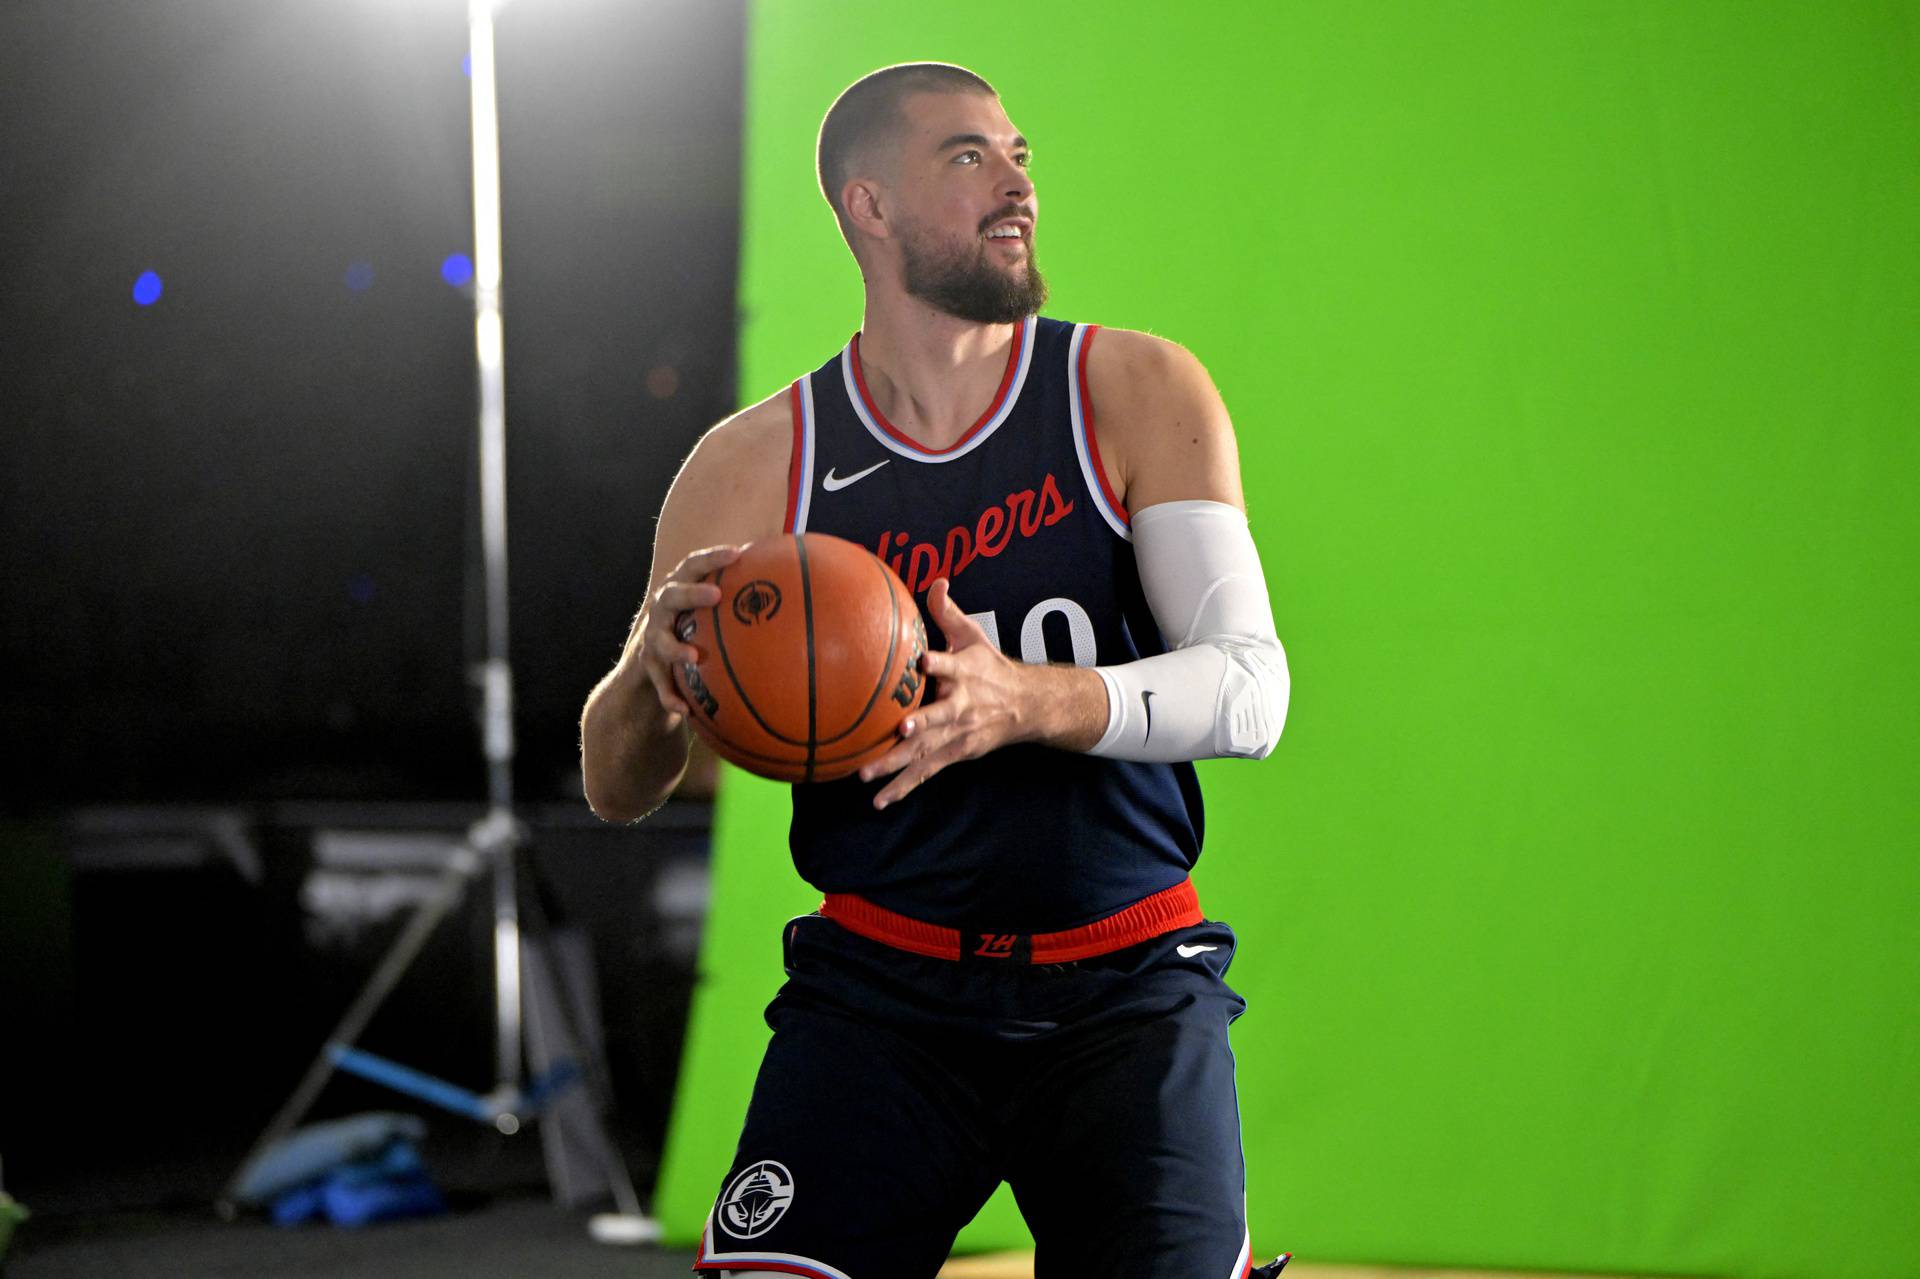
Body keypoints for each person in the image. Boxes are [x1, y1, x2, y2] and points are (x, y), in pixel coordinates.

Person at [580, 62, 1290, 1279]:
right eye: (969, 157)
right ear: (867, 207)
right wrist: (651, 670)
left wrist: (1033, 702)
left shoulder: (1127, 389)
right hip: (880, 1000)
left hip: (1125, 985)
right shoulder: (757, 467)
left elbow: (1251, 689)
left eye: (1020, 155)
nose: (1017, 183)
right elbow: (614, 785)